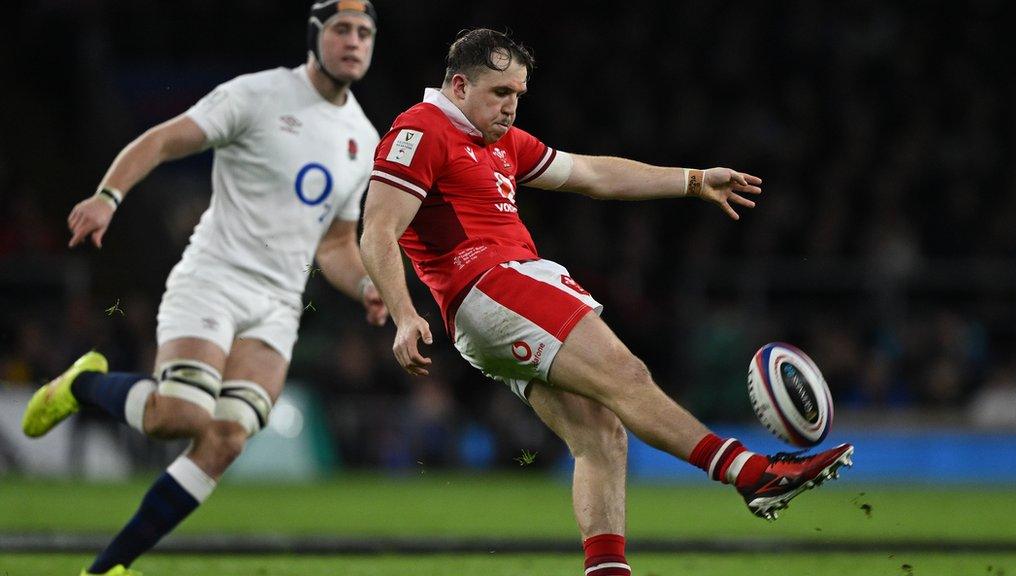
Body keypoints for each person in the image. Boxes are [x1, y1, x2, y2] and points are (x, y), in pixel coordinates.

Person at [360, 28, 854, 576]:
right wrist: (404, 314)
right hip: (493, 283)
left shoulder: (502, 142)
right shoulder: (420, 129)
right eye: (500, 92)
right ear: (458, 84)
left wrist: (690, 181)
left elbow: (594, 174)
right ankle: (751, 472)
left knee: (600, 435)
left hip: (486, 314)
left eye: (519, 94)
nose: (511, 106)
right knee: (627, 373)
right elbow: (377, 231)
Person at [21, 2, 385, 574]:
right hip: (214, 278)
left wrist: (366, 281)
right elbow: (163, 140)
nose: (354, 41)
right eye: (341, 29)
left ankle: (107, 567)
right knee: (180, 417)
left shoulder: (363, 140)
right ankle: (84, 384)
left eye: (364, 32)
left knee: (227, 438)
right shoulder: (258, 94)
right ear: (316, 37)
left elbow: (335, 243)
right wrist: (107, 197)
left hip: (277, 305)